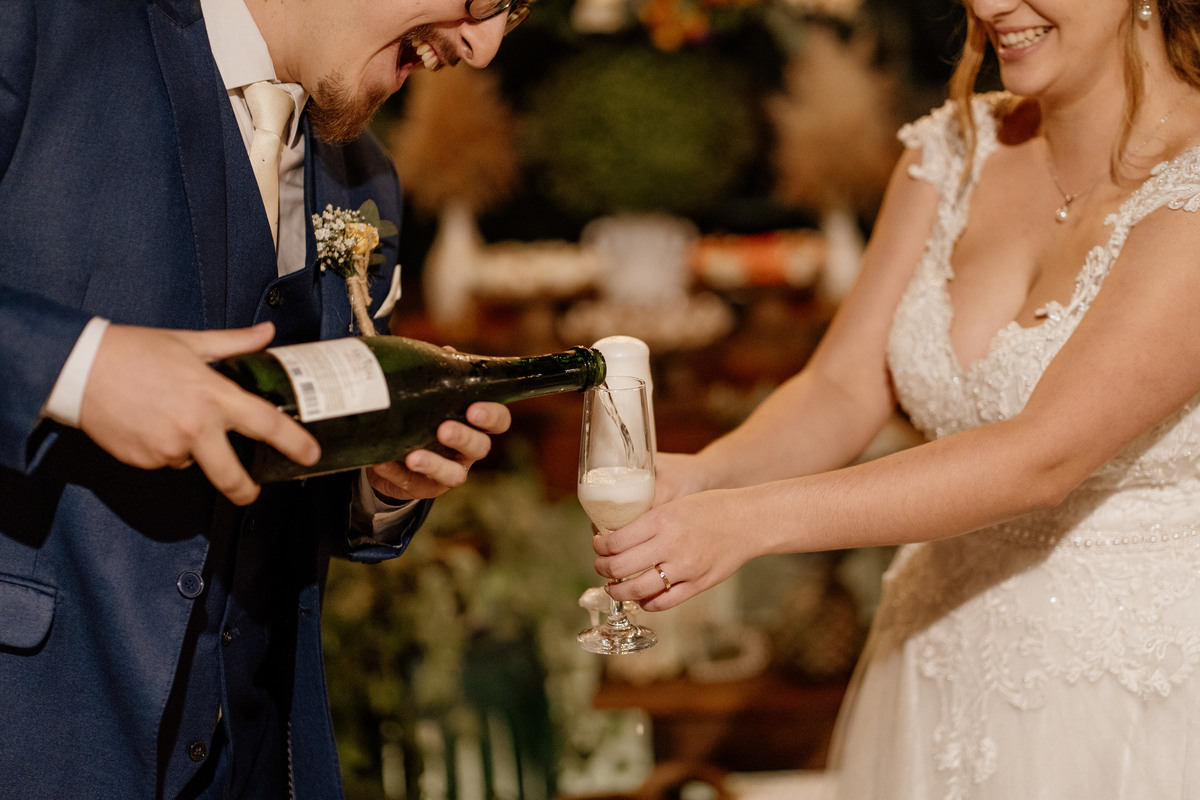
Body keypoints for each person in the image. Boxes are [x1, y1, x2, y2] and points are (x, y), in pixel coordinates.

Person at [594, 1, 1200, 796]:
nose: (989, 5)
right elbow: (844, 386)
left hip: (1127, 688)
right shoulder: (953, 149)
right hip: (939, 662)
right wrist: (709, 475)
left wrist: (751, 521)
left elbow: (1044, 455)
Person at [0, 0, 530, 797]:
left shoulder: (365, 182)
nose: (484, 45)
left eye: (513, 18)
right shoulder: (44, 22)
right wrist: (80, 371)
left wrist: (378, 486)